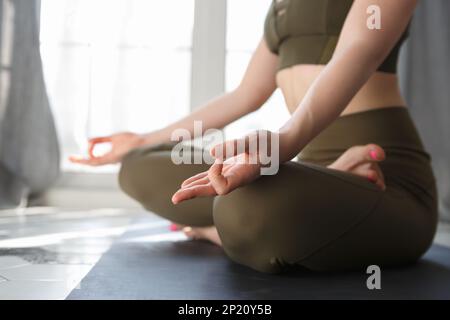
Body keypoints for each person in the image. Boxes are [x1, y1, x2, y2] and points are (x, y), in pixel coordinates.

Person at [71, 0, 438, 273]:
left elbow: (358, 52)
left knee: (243, 206)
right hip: (307, 167)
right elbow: (246, 94)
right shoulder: (282, 6)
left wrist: (280, 145)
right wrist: (141, 140)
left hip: (386, 179)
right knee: (139, 166)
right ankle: (234, 223)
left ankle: (213, 230)